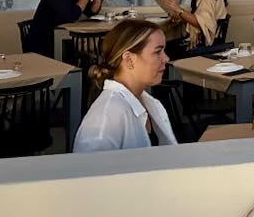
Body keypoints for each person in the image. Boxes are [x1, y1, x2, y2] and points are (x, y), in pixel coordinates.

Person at [74, 19, 177, 152]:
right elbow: (89, 169)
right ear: (128, 59)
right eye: (157, 52)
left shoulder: (150, 103)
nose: (166, 58)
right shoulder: (107, 117)